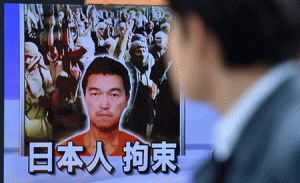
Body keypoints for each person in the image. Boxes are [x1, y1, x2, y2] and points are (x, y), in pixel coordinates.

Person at [167, 0, 300, 182]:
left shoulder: (290, 153)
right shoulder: (234, 154)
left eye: (169, 28)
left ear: (198, 34)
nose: (166, 48)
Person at [57, 56, 140, 156]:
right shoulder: (62, 155)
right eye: (95, 94)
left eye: (114, 95)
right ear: (84, 97)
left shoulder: (143, 155)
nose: (104, 105)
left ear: (127, 99)